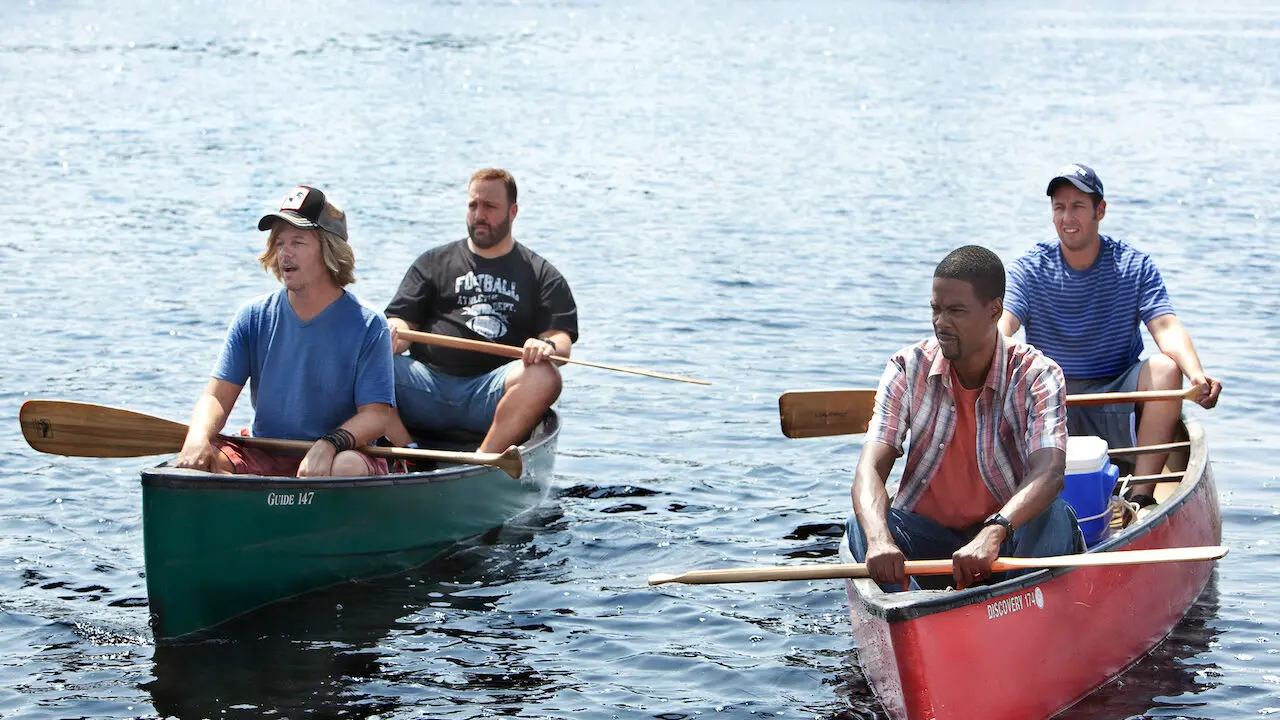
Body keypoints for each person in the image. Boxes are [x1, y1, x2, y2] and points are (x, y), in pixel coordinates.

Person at [848, 245, 1081, 592]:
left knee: (1055, 517)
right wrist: (880, 539)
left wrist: (994, 530)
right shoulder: (906, 366)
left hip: (1004, 543)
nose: (942, 322)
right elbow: (869, 469)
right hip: (930, 542)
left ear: (994, 312)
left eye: (956, 310)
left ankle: (1016, 606)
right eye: (936, 309)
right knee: (861, 525)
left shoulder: (1037, 374)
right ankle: (915, 613)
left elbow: (1049, 472)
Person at [999, 164, 1222, 506]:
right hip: (1053, 397)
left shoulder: (1134, 265)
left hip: (1117, 394)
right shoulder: (1028, 268)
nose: (1066, 217)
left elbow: (1165, 327)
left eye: (1077, 206)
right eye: (1059, 207)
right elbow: (1003, 324)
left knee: (1165, 368)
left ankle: (1141, 495)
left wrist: (1196, 374)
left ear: (1100, 211)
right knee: (1002, 363)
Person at [176, 186, 397, 477]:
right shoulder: (252, 316)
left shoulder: (369, 324)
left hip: (340, 452)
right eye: (279, 242)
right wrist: (197, 437)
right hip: (266, 450)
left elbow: (376, 415)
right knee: (205, 465)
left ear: (330, 250)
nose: (285, 253)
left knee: (346, 467)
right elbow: (216, 397)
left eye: (298, 242)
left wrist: (329, 444)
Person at [384, 168, 578, 453]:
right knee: (367, 358)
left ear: (513, 212)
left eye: (489, 206)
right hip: (426, 386)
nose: (479, 214)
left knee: (545, 375)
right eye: (473, 205)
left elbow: (562, 342)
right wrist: (392, 333)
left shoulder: (542, 274)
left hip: (491, 394)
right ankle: (408, 454)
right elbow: (403, 324)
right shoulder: (432, 262)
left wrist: (546, 345)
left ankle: (483, 461)